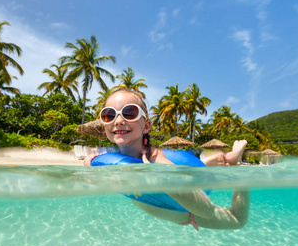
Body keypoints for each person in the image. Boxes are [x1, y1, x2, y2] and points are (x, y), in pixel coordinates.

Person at [84, 88, 250, 231]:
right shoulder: (108, 159)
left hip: (185, 212)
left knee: (237, 220)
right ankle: (216, 161)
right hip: (171, 207)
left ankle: (238, 169)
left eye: (129, 113)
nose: (119, 120)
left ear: (146, 126)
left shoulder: (155, 158)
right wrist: (90, 164)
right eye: (109, 115)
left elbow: (205, 208)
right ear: (104, 124)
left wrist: (153, 174)